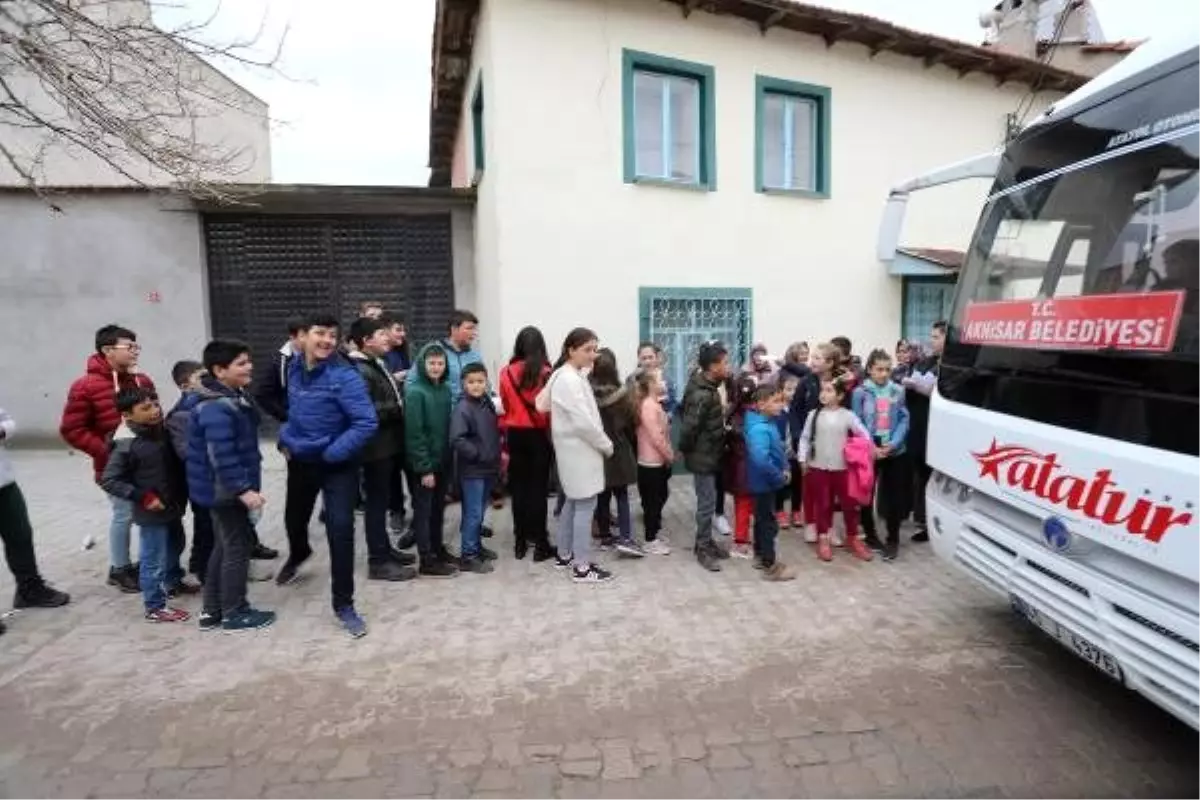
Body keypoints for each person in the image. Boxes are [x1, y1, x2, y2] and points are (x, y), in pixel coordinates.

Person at [277, 313, 378, 639]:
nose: (327, 341)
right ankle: (298, 554)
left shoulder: (344, 376)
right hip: (301, 460)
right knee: (294, 518)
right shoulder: (293, 369)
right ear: (302, 337)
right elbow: (292, 411)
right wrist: (284, 439)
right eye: (320, 333)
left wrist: (334, 452)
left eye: (332, 336)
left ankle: (343, 603)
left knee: (340, 530)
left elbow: (366, 422)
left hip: (336, 464)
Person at [60, 324, 156, 593]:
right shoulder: (85, 386)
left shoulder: (142, 381)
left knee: (148, 511)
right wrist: (110, 452)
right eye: (130, 347)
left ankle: (149, 562)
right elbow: (72, 430)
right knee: (124, 513)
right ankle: (119, 568)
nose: (136, 351)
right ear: (107, 350)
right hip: (112, 468)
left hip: (147, 464)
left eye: (137, 346)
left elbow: (155, 416)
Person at [187, 340, 275, 632]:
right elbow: (220, 454)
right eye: (240, 363)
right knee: (237, 548)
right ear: (219, 370)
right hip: (224, 490)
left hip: (220, 489)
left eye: (248, 360)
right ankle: (235, 612)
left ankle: (212, 611)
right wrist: (242, 489)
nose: (249, 366)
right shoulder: (215, 406)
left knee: (223, 547)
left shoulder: (232, 396)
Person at [100, 388, 191, 623]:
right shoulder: (126, 444)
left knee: (176, 543)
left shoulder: (161, 432)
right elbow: (109, 480)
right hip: (150, 511)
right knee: (153, 558)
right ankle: (155, 606)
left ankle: (173, 583)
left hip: (171, 506)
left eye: (155, 405)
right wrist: (143, 497)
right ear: (127, 415)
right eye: (146, 408)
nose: (155, 411)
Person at [539, 328, 614, 583]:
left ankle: (564, 554)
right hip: (580, 451)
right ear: (571, 350)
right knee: (584, 505)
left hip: (572, 451)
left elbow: (542, 403)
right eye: (587, 350)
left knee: (573, 501)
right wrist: (606, 444)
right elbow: (583, 422)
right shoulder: (569, 379)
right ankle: (582, 567)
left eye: (595, 349)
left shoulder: (564, 374)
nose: (593, 355)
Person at [347, 318, 417, 583]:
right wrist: (398, 409)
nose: (387, 337)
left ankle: (386, 550)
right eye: (380, 334)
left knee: (382, 501)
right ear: (366, 340)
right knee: (376, 505)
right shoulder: (360, 370)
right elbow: (367, 411)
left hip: (387, 445)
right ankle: (378, 561)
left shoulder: (376, 363)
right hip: (376, 449)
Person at [0, 404, 71, 636]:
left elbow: (8, 422)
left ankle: (29, 589)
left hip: (4, 482)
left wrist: (1, 430)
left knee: (20, 534)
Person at [799, 377, 871, 563]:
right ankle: (823, 538)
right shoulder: (813, 415)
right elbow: (805, 438)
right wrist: (802, 458)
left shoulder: (848, 415)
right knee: (823, 504)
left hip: (843, 468)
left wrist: (865, 450)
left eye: (829, 390)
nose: (824, 394)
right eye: (823, 390)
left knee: (849, 505)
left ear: (839, 395)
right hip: (818, 467)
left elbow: (863, 434)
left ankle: (852, 537)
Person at [498, 326, 554, 561]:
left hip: (515, 433)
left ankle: (520, 542)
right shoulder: (547, 372)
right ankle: (541, 543)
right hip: (539, 434)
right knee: (538, 490)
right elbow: (551, 408)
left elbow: (504, 404)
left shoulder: (506, 372)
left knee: (519, 489)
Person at [852, 349, 913, 562]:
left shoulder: (897, 390)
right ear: (869, 370)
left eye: (888, 369)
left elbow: (905, 419)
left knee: (894, 494)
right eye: (879, 369)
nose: (884, 374)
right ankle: (870, 535)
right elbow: (856, 422)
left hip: (893, 447)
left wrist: (894, 444)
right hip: (870, 447)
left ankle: (893, 538)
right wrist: (871, 447)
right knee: (866, 493)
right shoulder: (861, 392)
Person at [679, 340, 733, 572]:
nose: (728, 367)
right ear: (713, 366)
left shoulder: (710, 386)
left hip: (711, 453)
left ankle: (707, 542)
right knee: (706, 503)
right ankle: (702, 546)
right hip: (703, 455)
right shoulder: (702, 394)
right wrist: (686, 449)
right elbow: (689, 427)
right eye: (725, 363)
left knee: (708, 502)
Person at [406, 341, 458, 578]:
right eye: (431, 363)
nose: (436, 367)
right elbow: (415, 434)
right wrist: (424, 468)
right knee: (424, 512)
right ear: (422, 364)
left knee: (438, 509)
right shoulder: (416, 392)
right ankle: (426, 559)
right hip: (425, 465)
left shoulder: (445, 389)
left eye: (440, 363)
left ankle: (438, 549)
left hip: (443, 461)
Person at [591, 348, 645, 558]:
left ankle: (605, 536)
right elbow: (631, 422)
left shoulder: (587, 392)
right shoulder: (623, 394)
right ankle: (625, 537)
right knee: (622, 495)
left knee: (602, 496)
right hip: (619, 450)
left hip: (598, 450)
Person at [450, 362, 502, 574]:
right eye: (471, 382)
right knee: (472, 513)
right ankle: (468, 554)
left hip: (488, 468)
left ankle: (477, 547)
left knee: (479, 511)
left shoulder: (486, 403)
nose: (476, 386)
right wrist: (477, 454)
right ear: (463, 384)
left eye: (480, 381)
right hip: (473, 470)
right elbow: (457, 439)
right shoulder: (462, 408)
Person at [744, 385, 796, 581]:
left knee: (761, 519)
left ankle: (759, 554)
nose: (781, 405)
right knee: (768, 523)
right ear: (761, 404)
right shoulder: (760, 428)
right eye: (776, 401)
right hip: (764, 483)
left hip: (764, 483)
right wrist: (779, 476)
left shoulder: (767, 422)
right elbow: (760, 459)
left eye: (782, 401)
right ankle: (770, 564)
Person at [902, 320, 945, 544]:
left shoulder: (951, 364)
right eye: (932, 336)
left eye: (936, 336)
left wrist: (929, 389)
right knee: (919, 473)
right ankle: (921, 519)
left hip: (936, 427)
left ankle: (931, 524)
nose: (932, 340)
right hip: (917, 425)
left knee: (932, 476)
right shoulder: (926, 361)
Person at [793, 342, 839, 544]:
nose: (812, 361)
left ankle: (829, 526)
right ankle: (811, 523)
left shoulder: (839, 382)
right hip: (810, 443)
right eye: (813, 357)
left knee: (832, 488)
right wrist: (796, 436)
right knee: (810, 486)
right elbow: (794, 410)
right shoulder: (805, 382)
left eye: (818, 358)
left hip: (834, 443)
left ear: (830, 363)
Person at [407, 309, 484, 406]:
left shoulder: (475, 356)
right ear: (454, 329)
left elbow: (485, 386)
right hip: (442, 413)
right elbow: (411, 382)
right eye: (469, 328)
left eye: (475, 329)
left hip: (469, 413)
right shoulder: (434, 350)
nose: (474, 333)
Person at [634, 369, 673, 556]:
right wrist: (669, 454)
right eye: (659, 380)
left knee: (660, 496)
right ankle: (650, 539)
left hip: (656, 461)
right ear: (650, 384)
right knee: (652, 501)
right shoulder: (648, 406)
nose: (663, 383)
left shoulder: (654, 403)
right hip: (650, 462)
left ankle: (654, 533)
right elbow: (656, 436)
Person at [381, 314, 412, 534]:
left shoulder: (404, 352)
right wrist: (395, 378)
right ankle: (396, 512)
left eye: (403, 329)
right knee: (392, 472)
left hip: (406, 419)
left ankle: (418, 509)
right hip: (388, 422)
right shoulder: (381, 356)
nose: (402, 334)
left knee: (411, 468)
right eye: (397, 329)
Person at [723, 376, 757, 559]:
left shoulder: (731, 413)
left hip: (736, 467)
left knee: (741, 504)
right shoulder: (751, 416)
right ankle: (740, 542)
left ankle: (742, 538)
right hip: (746, 468)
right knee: (745, 505)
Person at [773, 373, 803, 529]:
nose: (792, 392)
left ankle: (796, 510)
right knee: (782, 482)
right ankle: (779, 510)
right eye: (789, 389)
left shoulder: (799, 409)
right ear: (781, 390)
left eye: (795, 389)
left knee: (798, 482)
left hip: (796, 453)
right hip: (781, 453)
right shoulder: (778, 410)